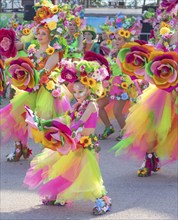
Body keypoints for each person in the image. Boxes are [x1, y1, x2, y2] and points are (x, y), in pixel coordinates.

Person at [23, 54, 112, 215]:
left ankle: (103, 200)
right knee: (64, 167)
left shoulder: (91, 104)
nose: (77, 94)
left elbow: (80, 122)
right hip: (75, 140)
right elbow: (66, 117)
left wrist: (67, 128)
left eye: (81, 91)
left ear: (90, 88)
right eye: (75, 91)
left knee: (89, 173)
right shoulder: (79, 104)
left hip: (86, 143)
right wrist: (45, 122)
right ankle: (58, 194)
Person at [110, 0, 178, 177]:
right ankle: (149, 159)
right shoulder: (167, 37)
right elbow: (154, 63)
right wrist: (145, 77)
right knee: (150, 124)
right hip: (164, 92)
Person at [0, 1, 71, 162]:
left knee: (43, 120)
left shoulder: (54, 51)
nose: (39, 36)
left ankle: (50, 153)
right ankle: (20, 148)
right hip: (32, 87)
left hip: (47, 89)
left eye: (43, 34)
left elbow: (44, 71)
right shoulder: (33, 48)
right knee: (15, 114)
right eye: (38, 33)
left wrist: (28, 74)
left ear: (50, 36)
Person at [98, 15, 142, 140]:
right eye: (116, 39)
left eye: (120, 39)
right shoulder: (113, 51)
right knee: (98, 106)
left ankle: (126, 133)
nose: (116, 41)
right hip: (111, 83)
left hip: (123, 84)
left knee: (117, 112)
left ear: (126, 41)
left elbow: (132, 69)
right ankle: (109, 127)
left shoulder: (128, 53)